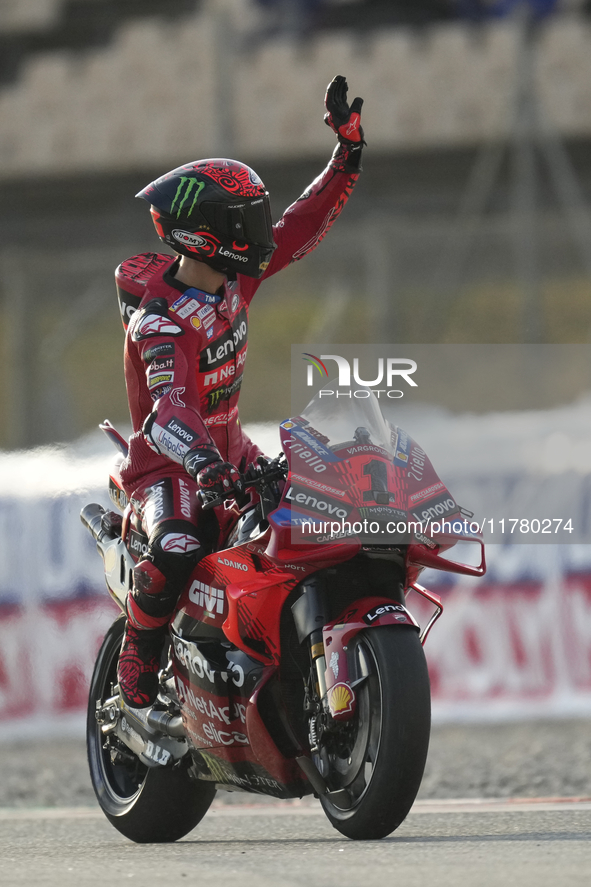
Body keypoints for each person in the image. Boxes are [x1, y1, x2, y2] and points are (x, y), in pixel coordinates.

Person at [114, 75, 365, 709]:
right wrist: (205, 466)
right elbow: (169, 414)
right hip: (168, 470)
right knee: (178, 544)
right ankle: (139, 648)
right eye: (245, 219)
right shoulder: (161, 321)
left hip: (233, 452)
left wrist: (347, 155)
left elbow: (302, 224)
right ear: (206, 233)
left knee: (332, 510)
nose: (260, 229)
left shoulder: (233, 279)